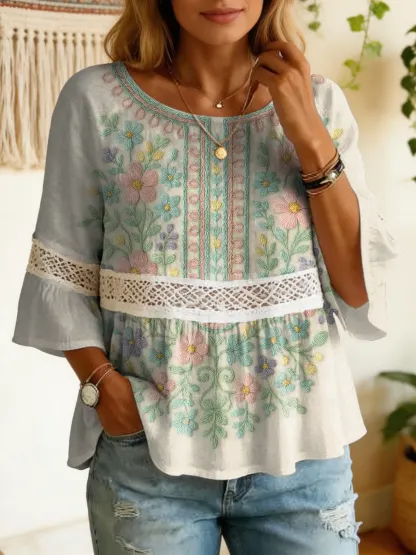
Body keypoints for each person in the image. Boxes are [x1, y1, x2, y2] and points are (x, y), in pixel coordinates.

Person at [13, 0, 397, 553]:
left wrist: (310, 134)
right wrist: (104, 390)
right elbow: (63, 268)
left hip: (303, 458)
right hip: (148, 458)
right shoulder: (96, 100)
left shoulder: (321, 103)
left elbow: (358, 290)